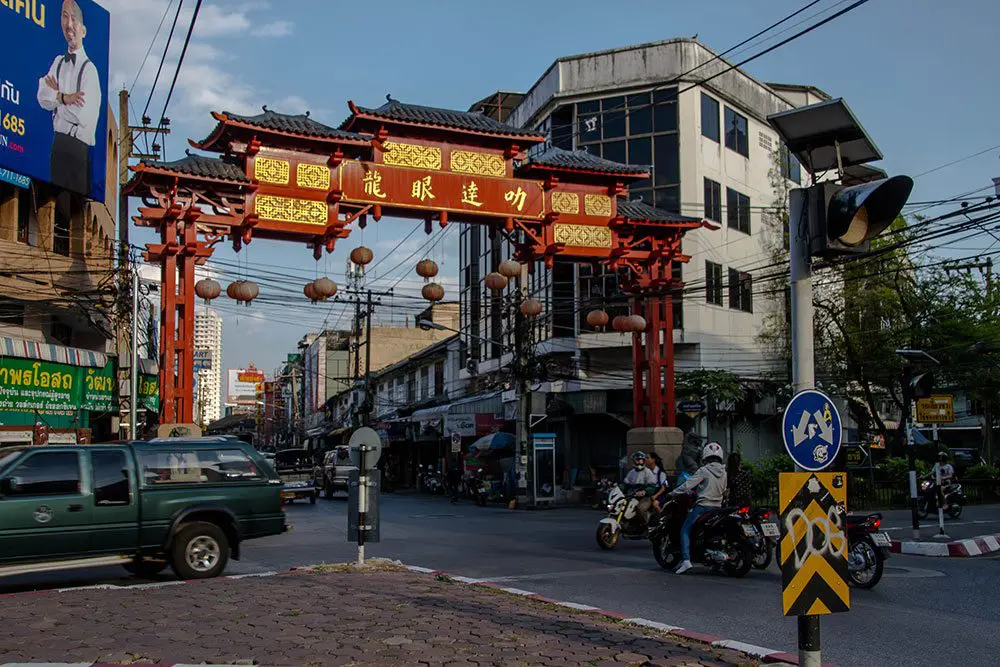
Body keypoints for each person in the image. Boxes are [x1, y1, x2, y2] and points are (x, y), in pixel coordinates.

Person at [37, 0, 102, 195]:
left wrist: (56, 101)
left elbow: (84, 117)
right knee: (54, 202)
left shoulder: (90, 70)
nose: (69, 24)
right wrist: (65, 98)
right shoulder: (58, 62)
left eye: (74, 19)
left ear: (83, 30)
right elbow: (41, 96)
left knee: (73, 209)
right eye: (65, 16)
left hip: (78, 149)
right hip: (58, 146)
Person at [669, 442, 728, 574]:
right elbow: (724, 490)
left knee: (685, 529)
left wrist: (673, 493)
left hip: (703, 507)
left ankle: (685, 560)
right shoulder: (724, 472)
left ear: (705, 457)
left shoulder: (704, 470)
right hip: (718, 509)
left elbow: (687, 485)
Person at [622, 451, 658, 525]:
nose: (639, 462)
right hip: (632, 496)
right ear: (634, 461)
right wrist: (617, 488)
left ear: (644, 461)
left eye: (641, 460)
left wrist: (644, 492)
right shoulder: (631, 472)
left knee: (640, 508)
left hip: (645, 498)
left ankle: (647, 525)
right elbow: (625, 484)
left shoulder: (647, 472)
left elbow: (652, 487)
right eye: (637, 460)